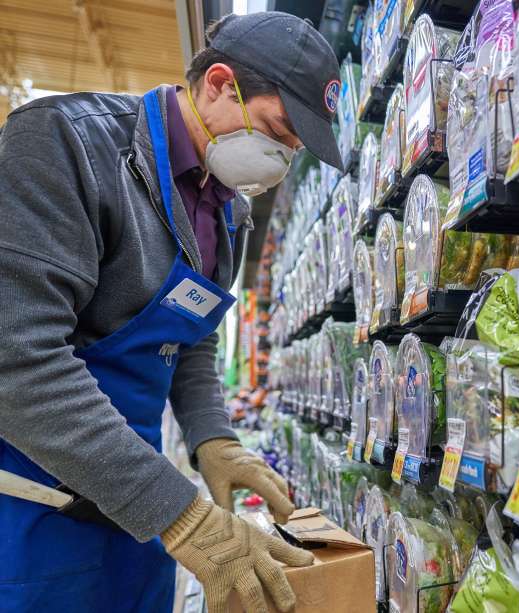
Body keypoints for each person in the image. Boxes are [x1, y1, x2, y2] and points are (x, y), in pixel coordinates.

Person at [0, 11, 343, 613]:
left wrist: (214, 438)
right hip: (31, 508)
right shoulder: (66, 145)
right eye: (279, 129)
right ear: (217, 83)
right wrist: (179, 513)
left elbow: (191, 339)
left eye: (293, 149)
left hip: (135, 511)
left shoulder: (227, 214)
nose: (282, 158)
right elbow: (16, 360)